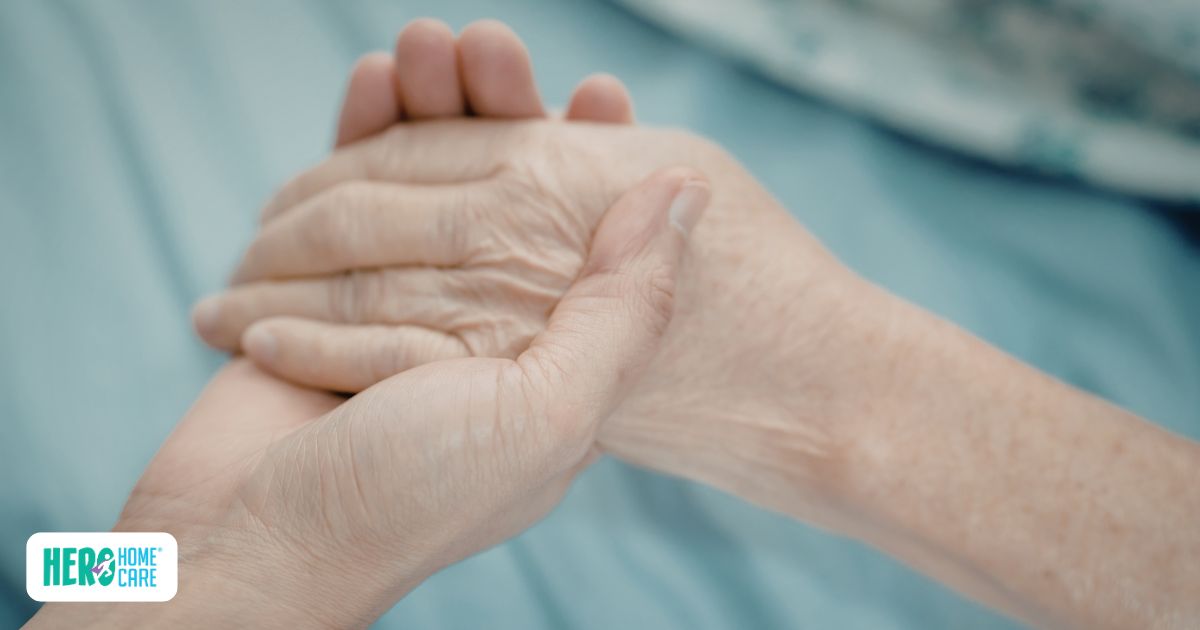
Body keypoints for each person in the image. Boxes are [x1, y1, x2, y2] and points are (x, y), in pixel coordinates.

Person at [31, 19, 1200, 630]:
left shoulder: (89, 570)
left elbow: (76, 577)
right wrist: (231, 568)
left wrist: (199, 561)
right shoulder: (102, 569)